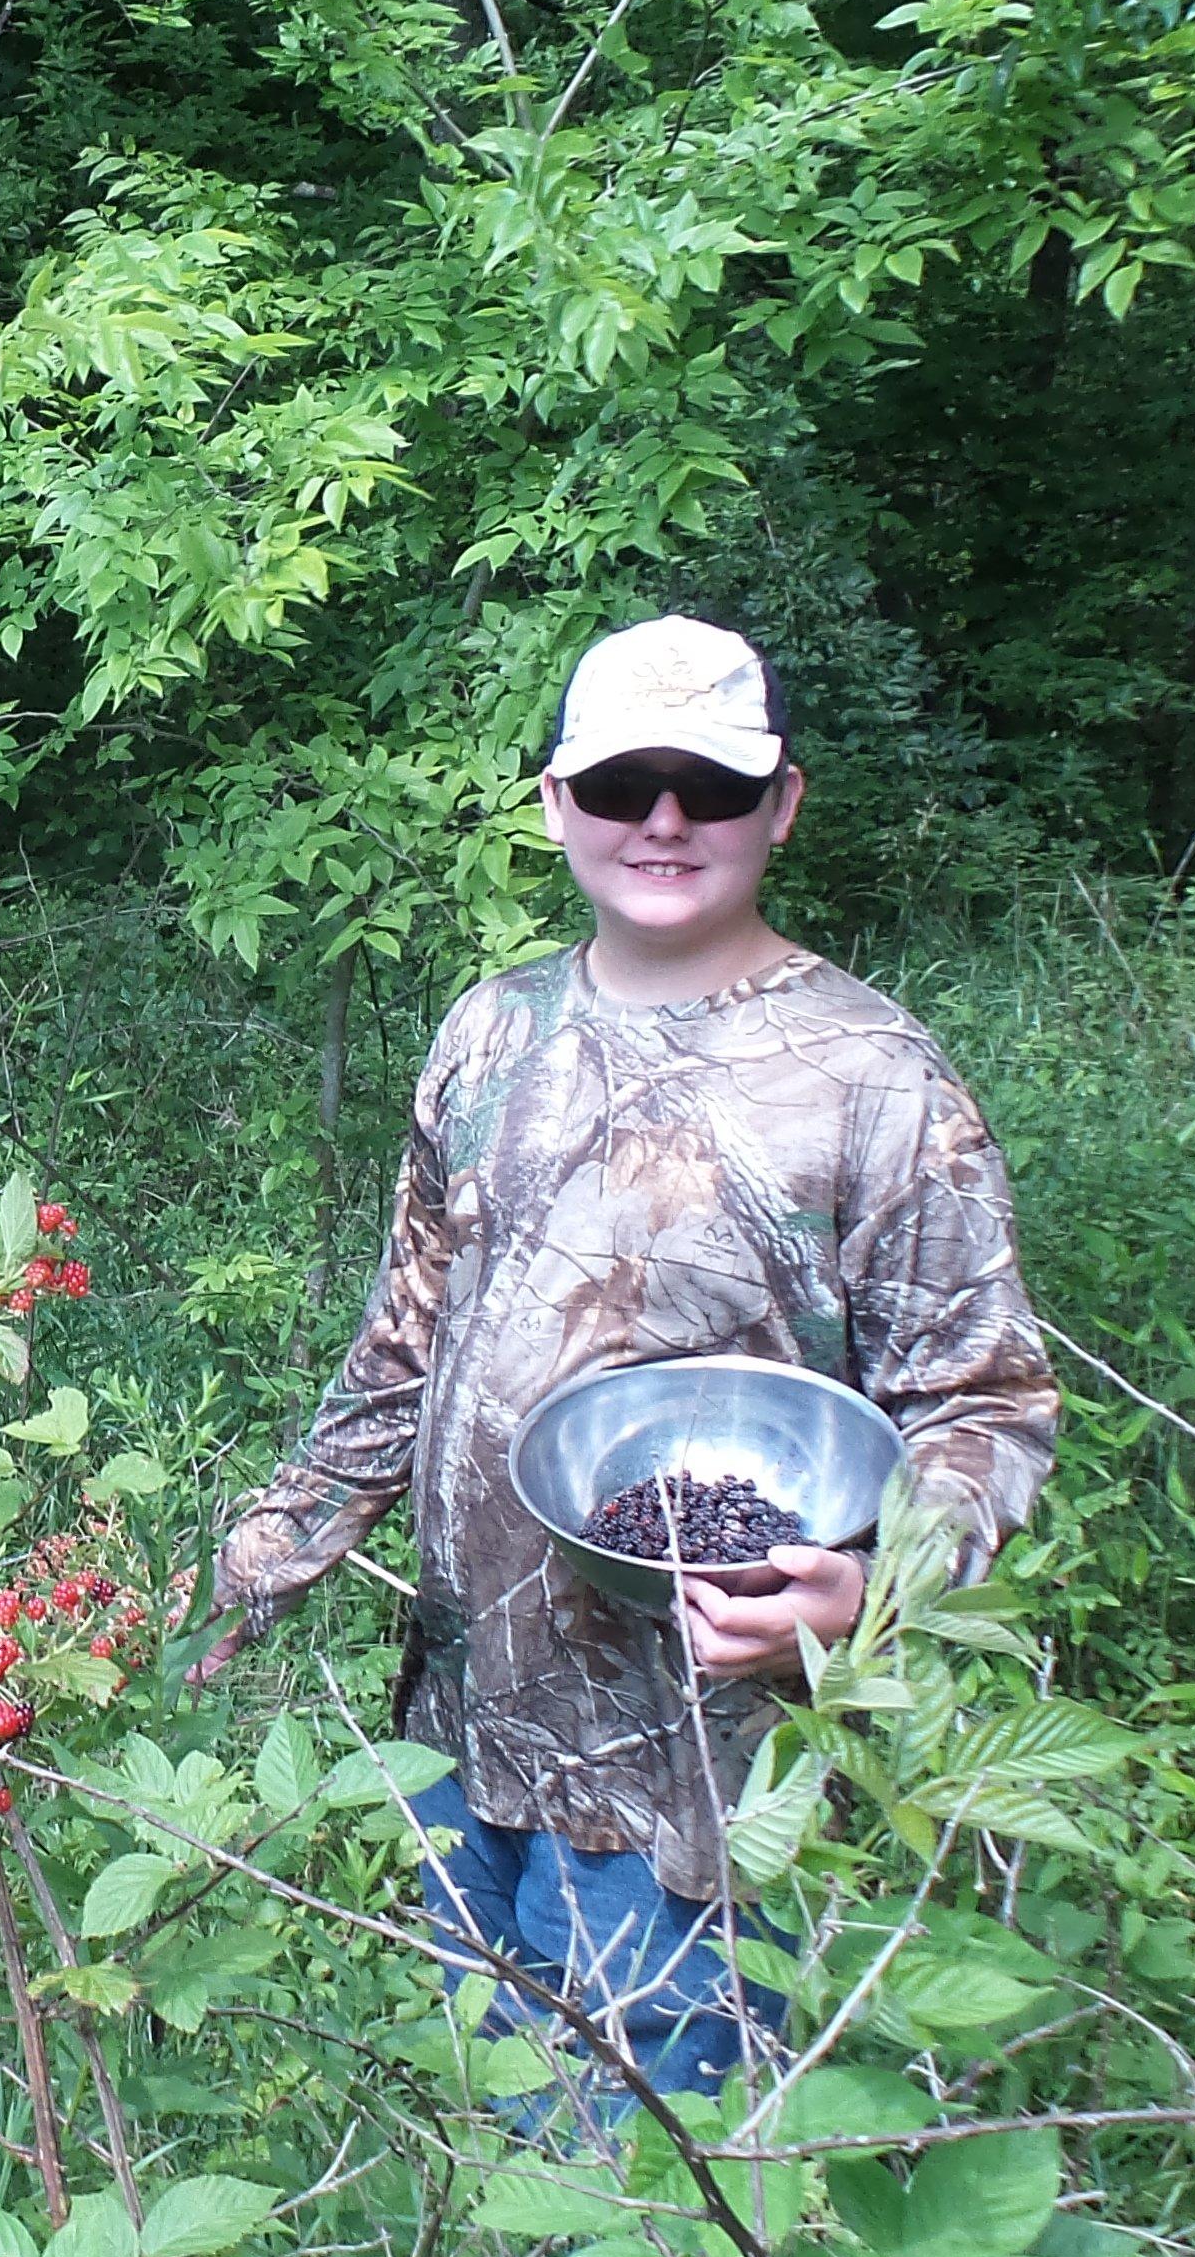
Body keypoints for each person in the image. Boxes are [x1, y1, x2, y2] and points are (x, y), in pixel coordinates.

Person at [196, 614, 1058, 2109]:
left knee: (670, 2203)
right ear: (553, 804)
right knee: (497, 2150)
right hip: (469, 1734)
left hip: (698, 1790)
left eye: (710, 787)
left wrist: (876, 1593)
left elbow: (983, 1407)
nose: (664, 820)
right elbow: (412, 1334)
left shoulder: (877, 1081)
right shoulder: (489, 1033)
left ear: (782, 803)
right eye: (621, 783)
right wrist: (289, 1531)